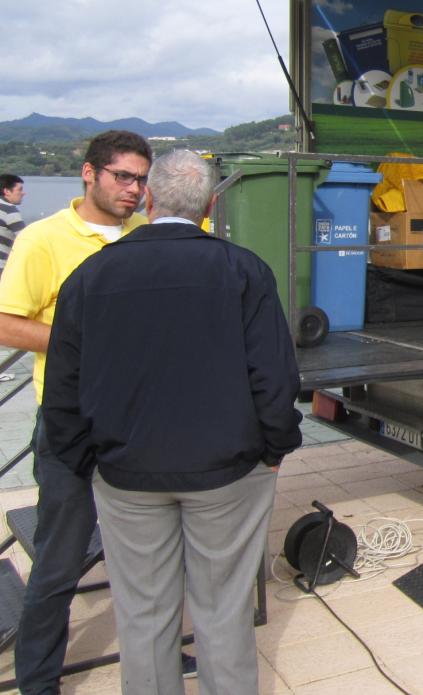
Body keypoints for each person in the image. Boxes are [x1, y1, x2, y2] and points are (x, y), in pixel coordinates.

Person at [41, 149, 303, 695]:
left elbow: (63, 388)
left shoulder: (90, 275)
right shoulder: (244, 270)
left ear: (149, 200)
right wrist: (275, 449)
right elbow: (275, 377)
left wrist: (89, 461)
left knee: (142, 613)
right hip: (228, 471)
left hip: (125, 472)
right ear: (210, 207)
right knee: (223, 610)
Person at [0, 131, 159, 694]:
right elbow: (6, 321)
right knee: (59, 558)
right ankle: (38, 680)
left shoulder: (146, 238)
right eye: (123, 176)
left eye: (142, 179)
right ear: (89, 173)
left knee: (150, 554)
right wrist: (85, 343)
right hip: (71, 420)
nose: (133, 189)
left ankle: (158, 659)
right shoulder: (43, 240)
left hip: (140, 419)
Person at [0, 174, 26, 275]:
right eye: (20, 190)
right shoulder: (9, 210)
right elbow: (25, 238)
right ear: (7, 191)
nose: (23, 193)